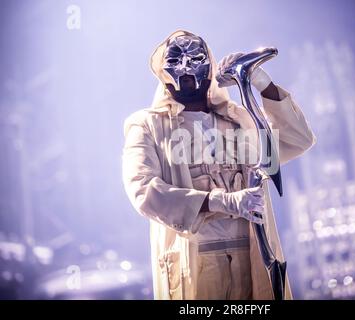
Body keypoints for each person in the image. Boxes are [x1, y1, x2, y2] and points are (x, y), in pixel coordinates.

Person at [122, 30, 316, 300]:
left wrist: (259, 81)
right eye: (176, 59)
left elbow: (297, 139)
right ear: (162, 72)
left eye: (195, 58)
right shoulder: (147, 126)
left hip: (253, 258)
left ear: (210, 65)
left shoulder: (240, 120)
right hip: (196, 265)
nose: (186, 67)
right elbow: (144, 192)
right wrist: (221, 202)